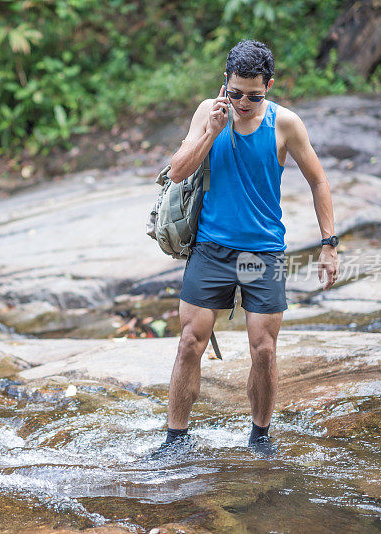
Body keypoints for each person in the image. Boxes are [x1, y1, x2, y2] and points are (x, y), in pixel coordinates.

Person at [154, 39, 339, 454]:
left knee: (263, 348)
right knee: (189, 342)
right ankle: (175, 438)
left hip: (261, 254)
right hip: (212, 250)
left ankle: (260, 436)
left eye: (253, 96)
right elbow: (178, 172)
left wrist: (329, 244)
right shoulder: (208, 112)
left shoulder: (285, 123)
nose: (242, 103)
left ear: (269, 86)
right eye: (235, 93)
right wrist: (211, 131)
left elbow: (319, 181)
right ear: (226, 83)